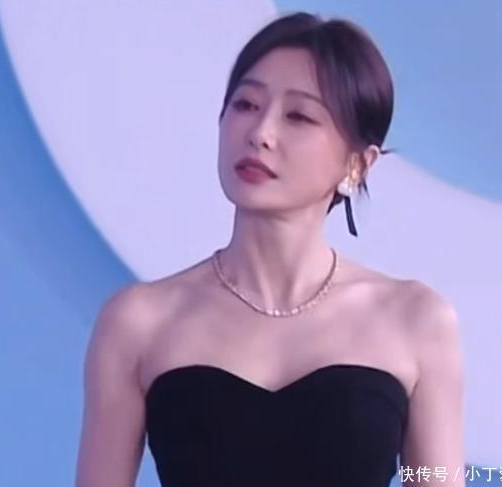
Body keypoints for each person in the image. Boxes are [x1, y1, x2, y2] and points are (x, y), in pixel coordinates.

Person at [75, 11, 465, 487]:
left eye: (298, 116)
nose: (260, 132)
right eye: (245, 105)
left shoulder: (415, 320)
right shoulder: (138, 322)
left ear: (358, 165)